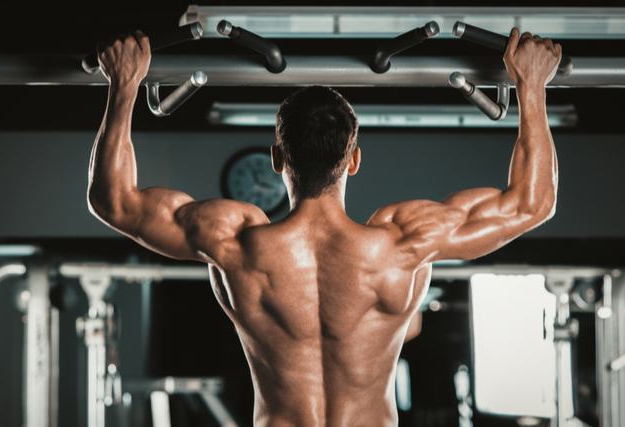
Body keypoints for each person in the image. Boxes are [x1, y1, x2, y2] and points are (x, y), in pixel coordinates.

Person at [88, 27, 560, 427]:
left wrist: (124, 86)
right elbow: (531, 205)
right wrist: (532, 88)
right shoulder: (402, 243)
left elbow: (114, 201)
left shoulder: (234, 241)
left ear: (277, 160)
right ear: (353, 160)